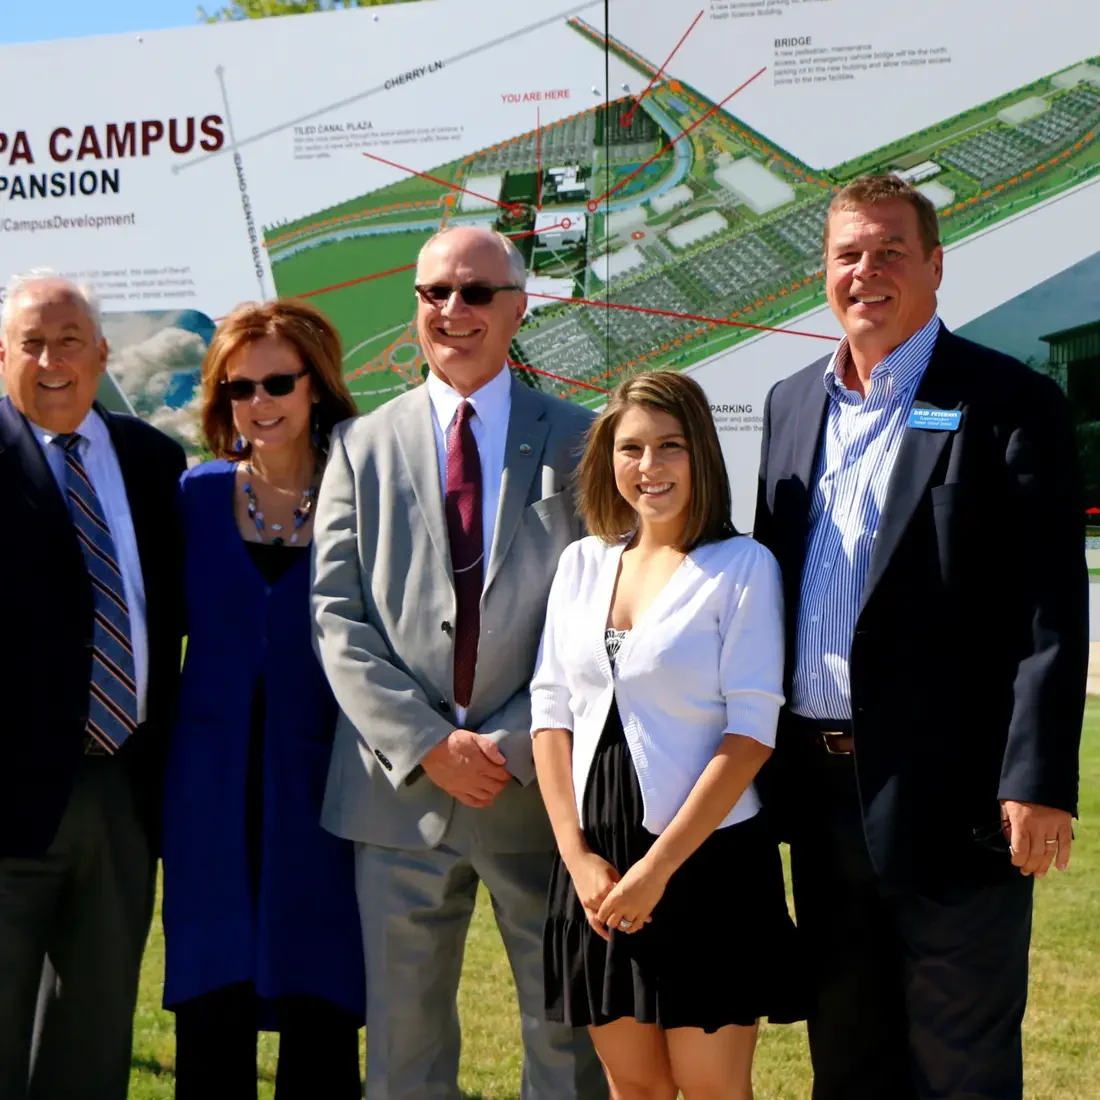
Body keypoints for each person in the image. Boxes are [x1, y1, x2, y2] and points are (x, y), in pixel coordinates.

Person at [752, 173, 1088, 1100]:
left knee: (960, 1066)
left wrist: (1037, 782)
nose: (868, 271)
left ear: (936, 266)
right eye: (848, 254)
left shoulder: (1007, 402)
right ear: (824, 273)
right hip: (818, 799)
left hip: (957, 798)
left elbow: (1050, 609)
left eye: (891, 250)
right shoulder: (789, 406)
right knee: (848, 1060)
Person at [312, 226, 606, 1099]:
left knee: (566, 1039)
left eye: (477, 293)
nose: (453, 310)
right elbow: (337, 617)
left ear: (518, 308)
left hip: (538, 794)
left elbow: (600, 616)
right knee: (403, 1052)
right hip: (396, 795)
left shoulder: (586, 441)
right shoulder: (360, 447)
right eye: (436, 292)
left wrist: (511, 744)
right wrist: (428, 743)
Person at [529, 370, 803, 1100]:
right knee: (636, 1090)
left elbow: (751, 733)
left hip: (706, 863)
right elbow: (550, 711)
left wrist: (660, 869)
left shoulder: (742, 566)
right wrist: (577, 857)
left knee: (713, 1090)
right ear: (608, 459)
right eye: (631, 449)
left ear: (701, 455)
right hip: (597, 871)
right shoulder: (581, 564)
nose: (649, 468)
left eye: (670, 447)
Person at [160, 299, 364, 1099]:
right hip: (209, 794)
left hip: (326, 793)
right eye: (239, 389)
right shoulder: (195, 499)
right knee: (211, 1014)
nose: (259, 403)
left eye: (278, 382)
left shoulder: (363, 494)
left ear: (317, 386)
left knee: (321, 1012)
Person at [0, 270, 187, 1100]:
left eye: (69, 340)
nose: (51, 359)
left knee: (97, 1027)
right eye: (31, 342)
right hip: (5, 799)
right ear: (2, 354)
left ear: (101, 353)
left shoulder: (155, 461)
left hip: (122, 791)